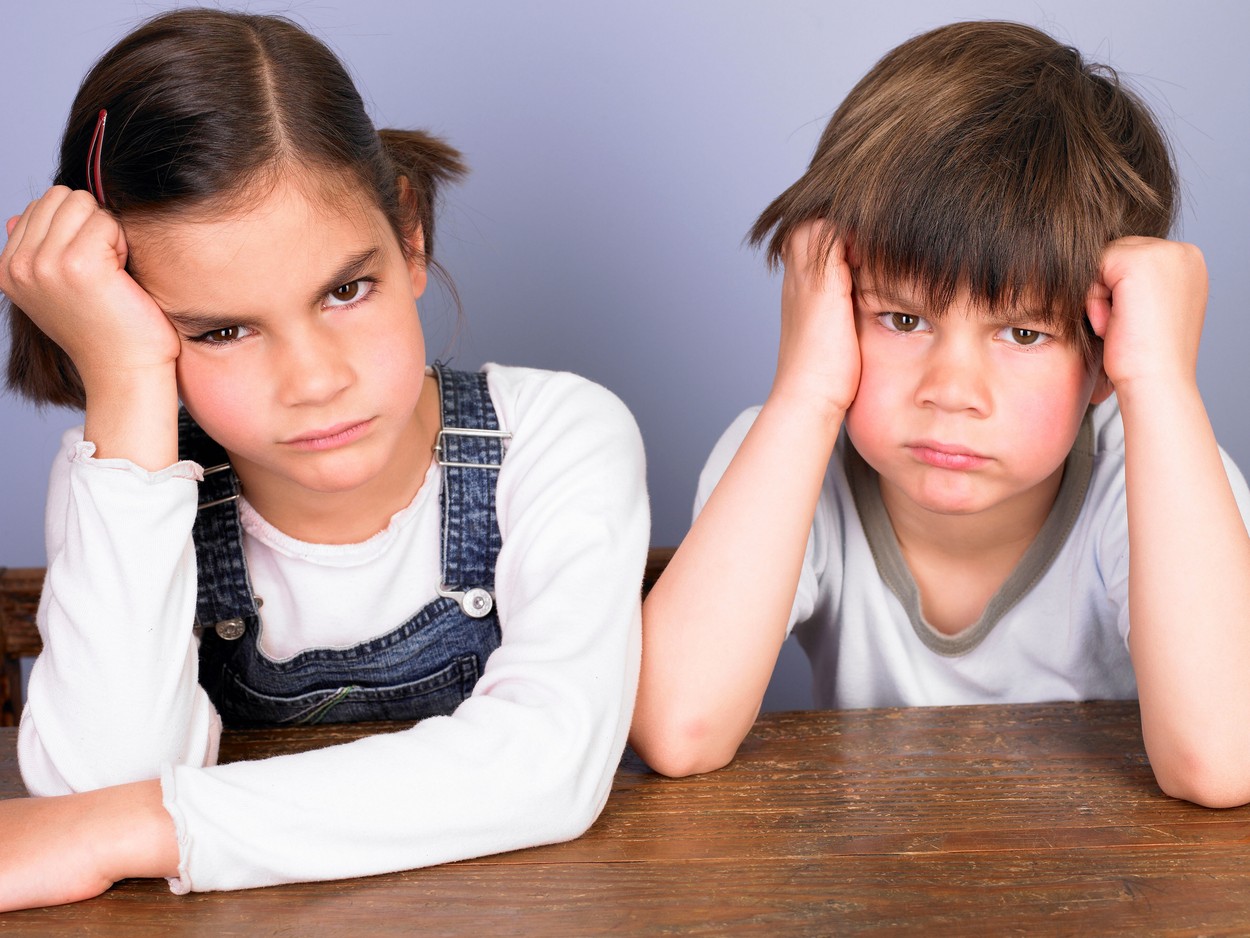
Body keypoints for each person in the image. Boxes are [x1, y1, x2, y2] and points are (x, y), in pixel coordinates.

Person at [0, 8, 647, 909]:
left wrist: (152, 829)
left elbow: (550, 764)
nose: (313, 381)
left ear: (409, 236)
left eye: (346, 290)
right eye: (222, 330)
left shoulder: (558, 437)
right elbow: (89, 796)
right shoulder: (126, 479)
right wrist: (124, 382)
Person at [630, 20, 1250, 806]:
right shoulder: (787, 455)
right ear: (835, 307)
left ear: (1103, 350)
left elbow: (1224, 760)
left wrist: (1159, 379)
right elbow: (674, 729)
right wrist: (807, 390)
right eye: (903, 320)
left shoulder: (1159, 473)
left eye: (1023, 333)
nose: (952, 390)